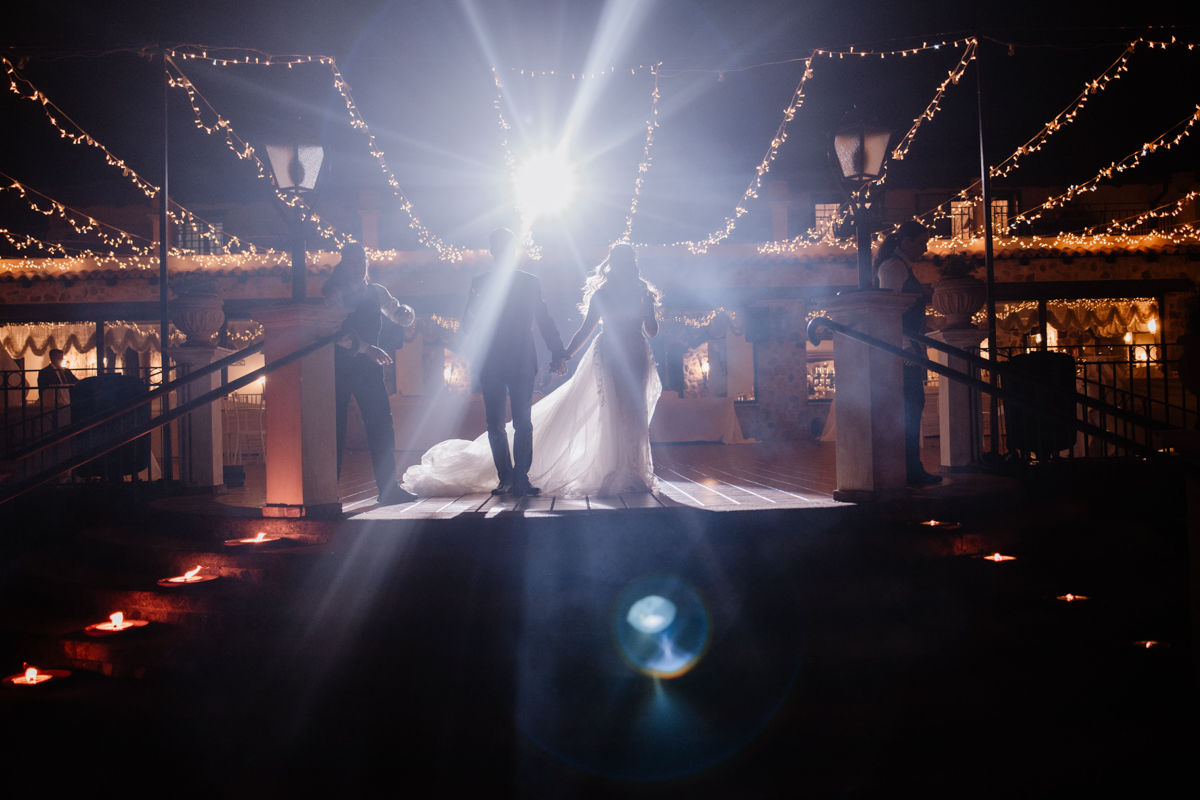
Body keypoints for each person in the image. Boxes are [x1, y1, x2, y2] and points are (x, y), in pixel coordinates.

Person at [402, 241, 662, 498]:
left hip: (612, 355)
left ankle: (628, 472)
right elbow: (587, 329)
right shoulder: (481, 284)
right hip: (593, 356)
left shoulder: (532, 282)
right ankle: (509, 477)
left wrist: (560, 353)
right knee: (500, 422)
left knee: (629, 412)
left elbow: (546, 320)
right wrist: (563, 355)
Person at [323, 242, 419, 505]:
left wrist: (408, 314)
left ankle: (388, 492)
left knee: (382, 427)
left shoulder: (377, 291)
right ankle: (327, 494)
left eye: (362, 260)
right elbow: (336, 334)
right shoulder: (334, 291)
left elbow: (398, 314)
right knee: (335, 431)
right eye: (353, 262)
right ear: (345, 264)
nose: (359, 266)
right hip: (339, 368)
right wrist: (367, 348)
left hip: (368, 370)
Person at [874, 220, 942, 487]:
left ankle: (910, 468)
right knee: (909, 413)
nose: (924, 249)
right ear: (906, 241)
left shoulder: (900, 266)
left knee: (912, 412)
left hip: (907, 350)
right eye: (921, 242)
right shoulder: (893, 267)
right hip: (902, 352)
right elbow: (889, 308)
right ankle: (908, 470)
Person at [37, 348, 78, 416]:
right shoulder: (45, 372)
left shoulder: (66, 371)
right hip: (54, 403)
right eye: (59, 358)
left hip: (68, 400)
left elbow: (75, 381)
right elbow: (42, 389)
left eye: (62, 358)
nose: (61, 360)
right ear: (52, 358)